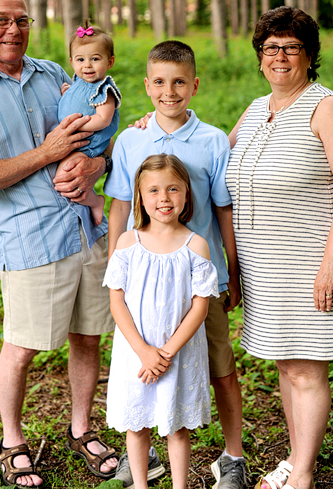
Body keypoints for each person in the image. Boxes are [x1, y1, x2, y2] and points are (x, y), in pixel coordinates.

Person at [0, 0, 118, 487]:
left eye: (21, 20)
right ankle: (12, 440)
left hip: (84, 228)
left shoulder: (59, 75)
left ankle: (82, 428)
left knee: (87, 337)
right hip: (30, 240)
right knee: (21, 347)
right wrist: (47, 153)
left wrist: (95, 165)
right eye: (1, 20)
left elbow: (95, 142)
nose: (13, 30)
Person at [226, 6, 333, 489]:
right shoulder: (254, 109)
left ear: (309, 55)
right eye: (271, 48)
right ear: (260, 56)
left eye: (291, 47)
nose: (280, 56)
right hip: (265, 263)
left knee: (306, 369)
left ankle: (302, 474)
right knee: (287, 361)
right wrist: (154, 127)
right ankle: (295, 456)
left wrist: (330, 266)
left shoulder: (327, 107)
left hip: (312, 259)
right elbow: (209, 160)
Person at [104, 41, 247, 489]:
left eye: (180, 82)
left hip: (200, 278)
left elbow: (223, 208)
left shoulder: (212, 141)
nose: (170, 92)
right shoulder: (131, 138)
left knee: (219, 367)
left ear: (195, 85)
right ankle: (144, 459)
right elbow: (119, 207)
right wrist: (115, 266)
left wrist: (233, 267)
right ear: (147, 86)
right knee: (142, 365)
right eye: (161, 82)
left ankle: (233, 457)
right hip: (143, 281)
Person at [104, 154, 218, 489]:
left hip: (177, 353)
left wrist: (164, 353)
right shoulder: (128, 243)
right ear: (140, 197)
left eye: (172, 189)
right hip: (135, 351)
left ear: (186, 194)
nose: (164, 198)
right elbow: (117, 301)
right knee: (136, 426)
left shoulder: (195, 246)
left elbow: (199, 307)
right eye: (153, 190)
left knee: (176, 426)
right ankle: (141, 484)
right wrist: (144, 352)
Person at [58, 22, 121, 226]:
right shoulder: (78, 82)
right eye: (80, 59)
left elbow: (103, 119)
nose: (87, 65)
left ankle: (95, 201)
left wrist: (77, 125)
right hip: (74, 140)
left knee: (65, 174)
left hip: (89, 145)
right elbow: (79, 100)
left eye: (95, 59)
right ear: (72, 62)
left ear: (110, 62)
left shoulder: (104, 90)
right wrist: (69, 94)